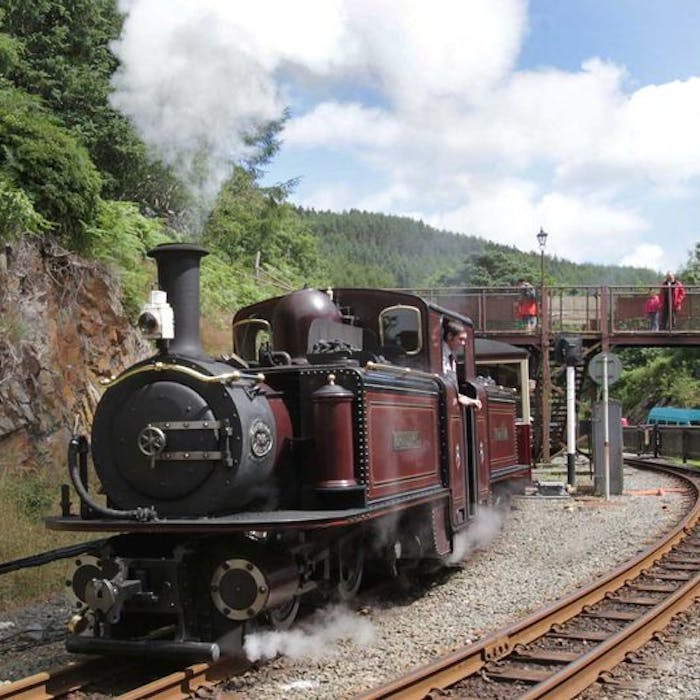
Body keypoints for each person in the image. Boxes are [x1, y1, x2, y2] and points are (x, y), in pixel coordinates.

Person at [442, 320, 482, 410]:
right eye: (460, 339)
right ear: (449, 336)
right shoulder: (441, 356)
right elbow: (445, 386)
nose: (463, 344)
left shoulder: (451, 356)